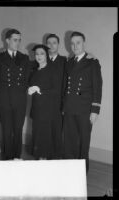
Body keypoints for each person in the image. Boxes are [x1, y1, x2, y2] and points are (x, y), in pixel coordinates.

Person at [62, 31, 102, 173]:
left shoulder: (92, 62)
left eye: (78, 42)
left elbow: (97, 87)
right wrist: (63, 107)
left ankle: (81, 172)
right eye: (72, 43)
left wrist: (95, 110)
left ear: (83, 43)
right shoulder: (69, 62)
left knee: (83, 142)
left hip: (85, 109)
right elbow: (65, 86)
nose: (75, 46)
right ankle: (70, 171)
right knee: (69, 141)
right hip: (69, 108)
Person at [0, 29, 31, 160]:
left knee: (18, 131)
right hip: (4, 100)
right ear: (7, 40)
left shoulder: (24, 58)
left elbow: (27, 78)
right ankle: (7, 160)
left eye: (19, 40)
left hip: (20, 100)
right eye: (15, 40)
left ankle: (16, 159)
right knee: (6, 131)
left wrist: (18, 91)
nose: (17, 43)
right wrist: (5, 92)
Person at [28, 44, 59, 160]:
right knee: (37, 136)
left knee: (45, 138)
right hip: (36, 110)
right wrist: (29, 89)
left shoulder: (52, 70)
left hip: (48, 111)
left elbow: (56, 90)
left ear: (46, 55)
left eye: (42, 53)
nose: (39, 56)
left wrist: (40, 90)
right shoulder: (34, 70)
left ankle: (44, 162)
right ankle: (40, 161)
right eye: (37, 54)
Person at [46, 34, 67, 159]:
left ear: (58, 45)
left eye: (54, 42)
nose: (51, 45)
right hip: (43, 104)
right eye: (49, 43)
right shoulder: (41, 59)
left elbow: (67, 83)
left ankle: (57, 162)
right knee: (45, 133)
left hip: (59, 104)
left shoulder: (64, 61)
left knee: (57, 134)